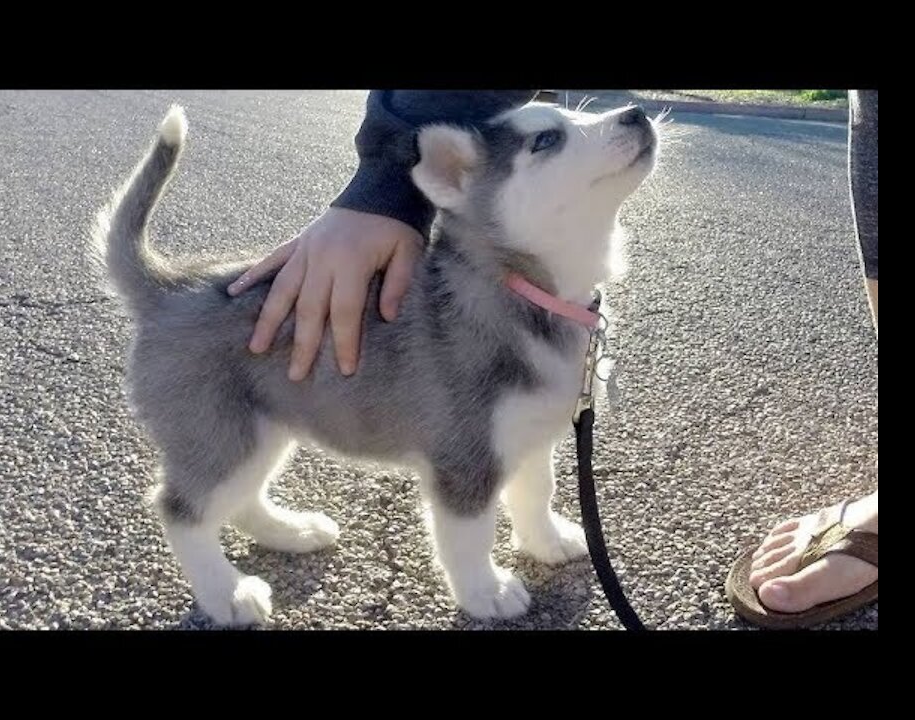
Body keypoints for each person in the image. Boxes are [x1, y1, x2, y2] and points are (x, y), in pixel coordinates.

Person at [227, 90, 878, 629]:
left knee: (527, 426)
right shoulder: (476, 314)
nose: (622, 117)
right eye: (550, 140)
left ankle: (532, 524)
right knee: (485, 443)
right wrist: (383, 185)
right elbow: (467, 462)